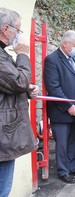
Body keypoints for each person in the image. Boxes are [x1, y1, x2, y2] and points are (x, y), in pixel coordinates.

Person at [0, 7, 39, 196]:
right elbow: (18, 81)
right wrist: (23, 54)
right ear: (5, 29)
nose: (18, 35)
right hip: (3, 134)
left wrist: (26, 90)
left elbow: (12, 85)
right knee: (2, 188)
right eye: (17, 30)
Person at [44, 30, 75, 183]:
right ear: (65, 44)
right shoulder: (52, 60)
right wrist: (68, 105)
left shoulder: (73, 58)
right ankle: (63, 171)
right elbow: (54, 87)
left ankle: (73, 167)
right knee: (62, 143)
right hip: (61, 110)